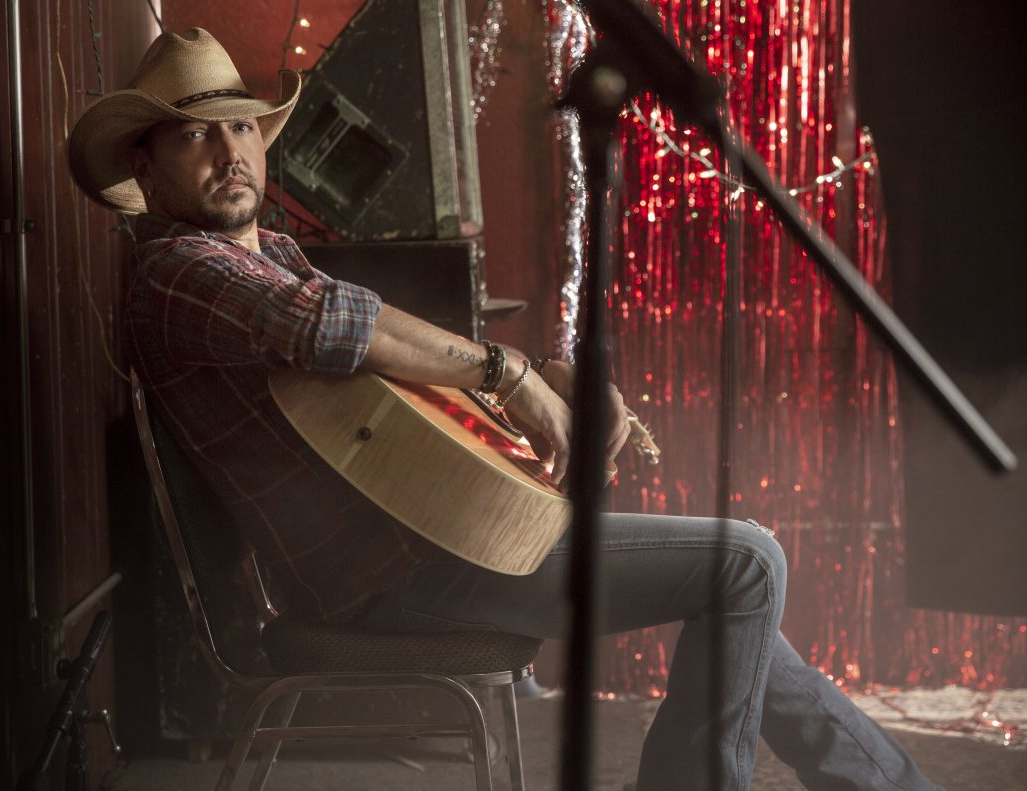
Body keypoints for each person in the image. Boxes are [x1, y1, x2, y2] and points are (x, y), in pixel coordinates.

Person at [68, 28, 942, 790]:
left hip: (436, 536)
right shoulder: (180, 272)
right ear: (144, 165)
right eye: (195, 134)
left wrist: (541, 374)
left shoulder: (271, 253)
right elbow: (336, 328)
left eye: (241, 126)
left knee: (740, 585)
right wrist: (508, 374)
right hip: (397, 575)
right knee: (748, 562)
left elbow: (389, 371)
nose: (230, 151)